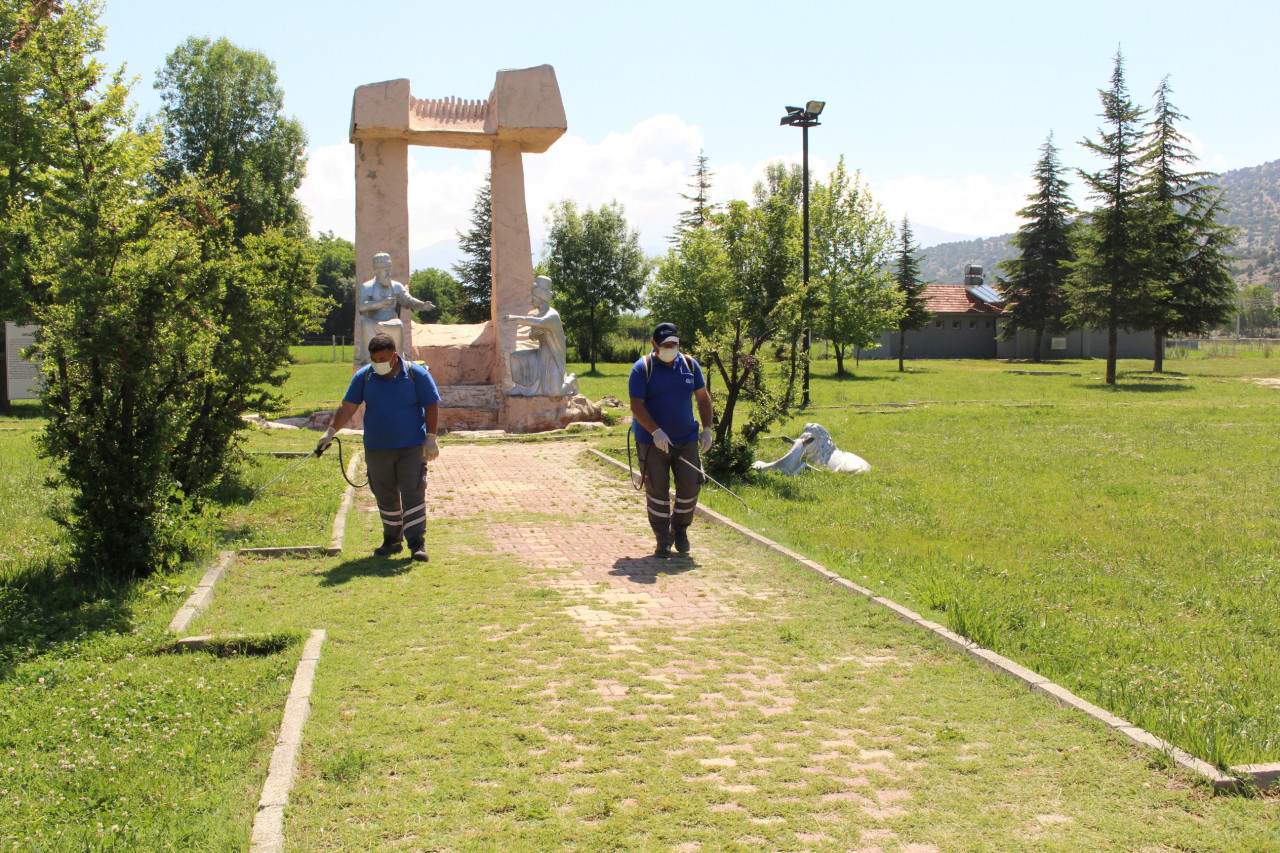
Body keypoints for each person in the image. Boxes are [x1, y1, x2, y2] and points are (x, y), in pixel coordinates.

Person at [317, 333, 440, 562]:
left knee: (413, 491)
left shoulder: (416, 374)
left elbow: (431, 405)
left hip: (411, 446)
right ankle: (392, 540)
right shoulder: (365, 376)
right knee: (384, 494)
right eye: (375, 359)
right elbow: (347, 406)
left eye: (383, 358)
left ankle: (417, 543)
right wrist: (330, 432)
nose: (378, 364)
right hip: (377, 447)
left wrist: (431, 438)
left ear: (394, 356)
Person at [629, 322, 715, 558]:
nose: (671, 349)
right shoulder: (642, 368)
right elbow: (636, 405)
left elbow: (703, 398)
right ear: (654, 345)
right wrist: (656, 431)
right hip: (652, 441)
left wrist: (707, 429)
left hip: (685, 439)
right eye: (666, 345)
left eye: (674, 344)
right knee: (657, 490)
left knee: (690, 486)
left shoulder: (689, 365)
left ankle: (680, 531)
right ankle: (662, 539)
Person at [503, 275, 578, 397]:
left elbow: (540, 323)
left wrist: (515, 318)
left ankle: (572, 379)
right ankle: (520, 387)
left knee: (556, 392)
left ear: (540, 297)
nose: (531, 299)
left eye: (533, 296)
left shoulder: (552, 315)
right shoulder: (539, 314)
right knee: (515, 358)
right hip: (540, 355)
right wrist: (535, 334)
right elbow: (532, 335)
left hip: (553, 357)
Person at [356, 252, 433, 365]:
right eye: (385, 271)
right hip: (374, 320)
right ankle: (369, 359)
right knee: (365, 323)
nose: (388, 273)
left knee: (398, 325)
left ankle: (397, 358)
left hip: (391, 319)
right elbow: (362, 307)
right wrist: (382, 303)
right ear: (377, 272)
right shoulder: (367, 287)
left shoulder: (396, 286)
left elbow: (408, 300)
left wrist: (422, 305)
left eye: (389, 270)